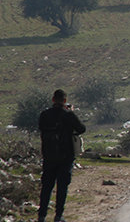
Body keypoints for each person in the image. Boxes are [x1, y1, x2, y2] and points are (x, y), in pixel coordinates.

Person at [38, 89, 86, 222]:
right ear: (65, 100)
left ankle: (42, 215)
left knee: (47, 186)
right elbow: (81, 129)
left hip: (48, 156)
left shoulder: (44, 115)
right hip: (66, 156)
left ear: (53, 99)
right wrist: (71, 112)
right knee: (62, 186)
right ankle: (58, 215)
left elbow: (41, 128)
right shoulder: (68, 115)